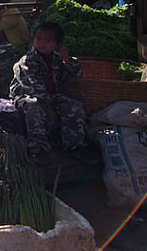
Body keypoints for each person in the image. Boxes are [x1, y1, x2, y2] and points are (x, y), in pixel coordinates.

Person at [9, 22, 88, 164]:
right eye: (38, 38)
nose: (42, 43)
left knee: (73, 106)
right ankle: (39, 150)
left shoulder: (57, 58)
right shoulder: (27, 61)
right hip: (26, 96)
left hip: (52, 95)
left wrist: (67, 60)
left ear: (57, 44)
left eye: (48, 40)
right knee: (34, 107)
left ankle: (74, 146)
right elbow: (34, 87)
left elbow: (76, 76)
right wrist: (47, 107)